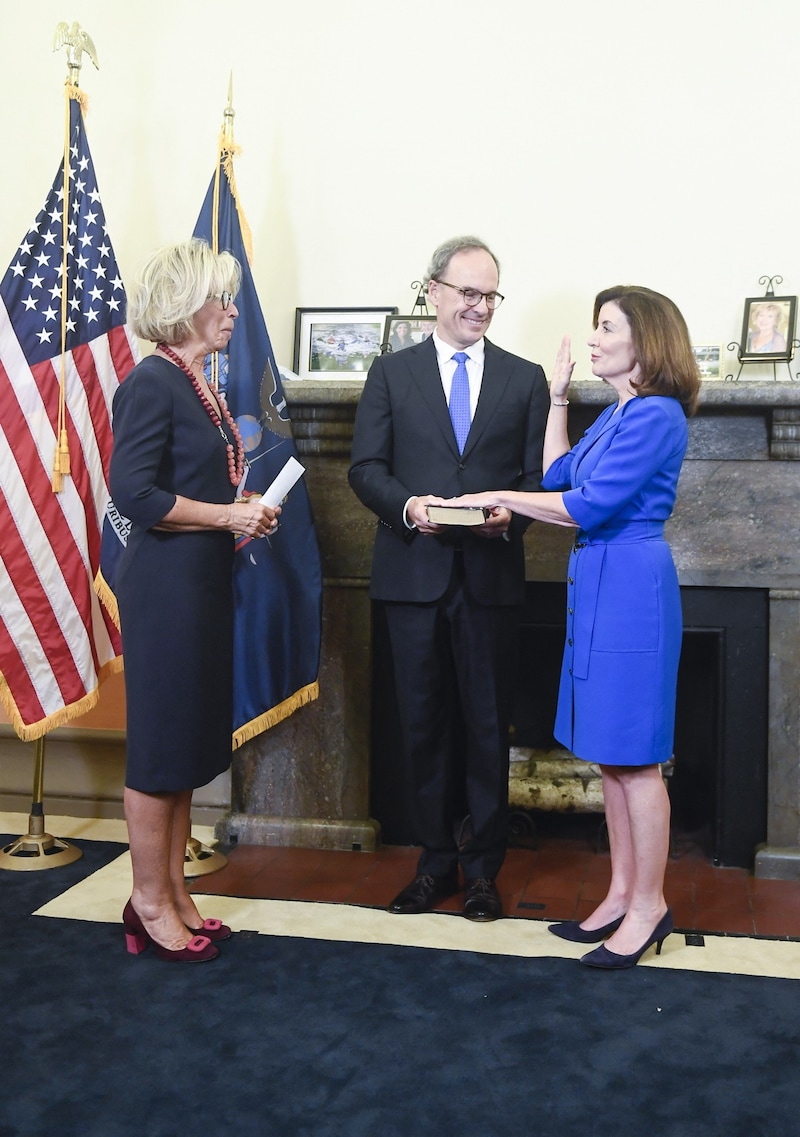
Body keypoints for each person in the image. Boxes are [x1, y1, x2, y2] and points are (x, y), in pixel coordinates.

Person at [445, 285, 700, 965]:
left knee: (637, 759)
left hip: (631, 587)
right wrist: (558, 397)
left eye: (606, 327)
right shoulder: (622, 414)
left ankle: (650, 905)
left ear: (644, 341)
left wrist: (498, 494)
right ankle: (621, 893)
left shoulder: (657, 416)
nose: (592, 338)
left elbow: (588, 504)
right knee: (613, 758)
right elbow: (560, 472)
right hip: (600, 585)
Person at [348, 235, 549, 921]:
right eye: (468, 292)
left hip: (490, 579)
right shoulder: (390, 374)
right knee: (423, 726)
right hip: (413, 579)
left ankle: (485, 871)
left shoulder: (526, 380)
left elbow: (533, 480)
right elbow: (366, 469)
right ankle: (434, 864)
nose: (480, 306)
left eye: (490, 294)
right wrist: (410, 508)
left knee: (490, 730)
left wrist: (505, 517)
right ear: (432, 290)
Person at [109, 238, 280, 963]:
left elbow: (194, 483)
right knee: (158, 752)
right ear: (184, 304)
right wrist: (225, 516)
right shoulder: (153, 380)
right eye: (222, 297)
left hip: (203, 584)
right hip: (166, 592)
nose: (233, 311)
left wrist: (239, 506)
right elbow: (135, 493)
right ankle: (147, 900)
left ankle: (173, 891)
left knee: (182, 748)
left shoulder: (198, 382)